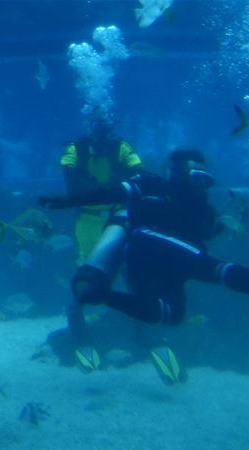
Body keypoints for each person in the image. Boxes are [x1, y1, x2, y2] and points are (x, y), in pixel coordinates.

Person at [42, 149, 249, 382]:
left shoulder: (204, 209)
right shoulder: (152, 185)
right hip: (143, 248)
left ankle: (110, 302)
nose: (201, 187)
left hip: (171, 265)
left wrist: (233, 222)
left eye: (206, 180)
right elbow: (113, 193)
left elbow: (210, 231)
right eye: (196, 177)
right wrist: (71, 201)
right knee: (209, 268)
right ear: (177, 173)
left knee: (172, 314)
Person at [59, 118, 143, 372]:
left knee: (131, 273)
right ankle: (80, 334)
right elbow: (68, 172)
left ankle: (144, 333)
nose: (101, 135)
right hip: (92, 218)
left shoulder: (120, 148)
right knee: (86, 274)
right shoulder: (78, 148)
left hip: (115, 218)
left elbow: (138, 171)